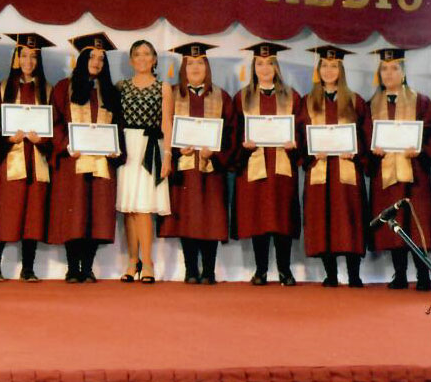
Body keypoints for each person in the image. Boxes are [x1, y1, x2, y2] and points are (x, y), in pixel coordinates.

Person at [365, 47, 431, 290]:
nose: (389, 73)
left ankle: (423, 275)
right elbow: (364, 136)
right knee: (393, 221)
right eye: (384, 69)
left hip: (415, 172)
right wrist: (373, 150)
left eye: (394, 68)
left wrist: (420, 149)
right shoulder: (371, 105)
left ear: (403, 72)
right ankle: (399, 274)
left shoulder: (421, 101)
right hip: (385, 172)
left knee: (417, 223)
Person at [47, 32, 123, 282]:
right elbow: (55, 122)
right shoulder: (63, 88)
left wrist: (116, 148)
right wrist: (66, 145)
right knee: (74, 213)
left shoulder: (110, 92)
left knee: (95, 214)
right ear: (81, 59)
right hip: (73, 160)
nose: (97, 62)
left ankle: (88, 267)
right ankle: (72, 268)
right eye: (92, 57)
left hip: (102, 163)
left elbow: (119, 127)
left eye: (101, 59)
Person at [159, 43, 233, 284]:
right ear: (183, 68)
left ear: (207, 67)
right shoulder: (173, 94)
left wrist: (215, 152)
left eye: (200, 63)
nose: (195, 67)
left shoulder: (221, 96)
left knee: (211, 217)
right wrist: (176, 150)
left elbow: (230, 132)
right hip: (184, 166)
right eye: (190, 63)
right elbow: (164, 128)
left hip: (212, 168)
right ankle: (191, 269)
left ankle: (209, 271)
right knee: (188, 217)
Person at [297, 45, 369, 287]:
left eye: (334, 66)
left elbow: (367, 136)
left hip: (347, 169)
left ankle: (354, 274)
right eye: (325, 66)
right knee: (323, 218)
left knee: (349, 218)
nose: (329, 70)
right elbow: (299, 136)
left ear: (341, 70)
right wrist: (310, 152)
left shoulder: (355, 101)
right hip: (319, 168)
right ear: (318, 70)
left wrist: (356, 152)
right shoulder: (307, 102)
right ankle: (330, 274)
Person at [0, 32, 54, 282]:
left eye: (33, 57)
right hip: (10, 160)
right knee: (7, 213)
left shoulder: (47, 90)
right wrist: (8, 139)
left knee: (33, 214)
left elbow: (55, 127)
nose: (28, 61)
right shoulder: (3, 88)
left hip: (37, 160)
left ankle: (28, 268)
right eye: (23, 55)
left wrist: (42, 140)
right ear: (16, 58)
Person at [233, 42, 302, 286]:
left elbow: (302, 131)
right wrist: (243, 145)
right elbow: (233, 133)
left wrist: (295, 144)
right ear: (253, 67)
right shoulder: (243, 97)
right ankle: (260, 270)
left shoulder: (291, 96)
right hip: (254, 165)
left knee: (282, 218)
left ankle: (285, 270)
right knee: (259, 218)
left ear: (276, 67)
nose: (264, 68)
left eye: (269, 64)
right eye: (260, 64)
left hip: (282, 166)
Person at [115, 39, 173, 283]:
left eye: (147, 53)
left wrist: (167, 155)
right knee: (129, 208)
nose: (142, 58)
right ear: (131, 60)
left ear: (154, 59)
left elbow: (166, 123)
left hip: (150, 148)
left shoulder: (163, 87)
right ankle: (132, 261)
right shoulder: (121, 86)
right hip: (127, 148)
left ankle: (147, 262)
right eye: (137, 54)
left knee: (144, 208)